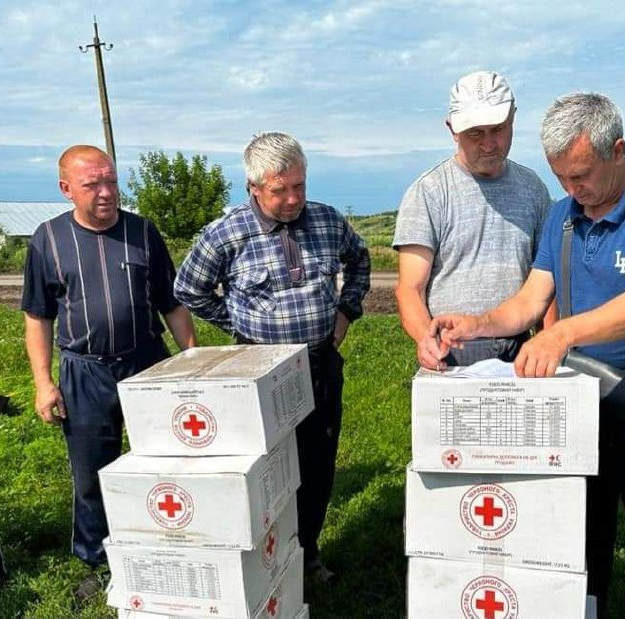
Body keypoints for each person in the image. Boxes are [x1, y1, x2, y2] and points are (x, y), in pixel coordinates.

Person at [432, 93, 625, 617]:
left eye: (581, 174)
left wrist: (559, 336)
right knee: (583, 537)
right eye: (561, 177)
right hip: (583, 405)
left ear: (618, 149)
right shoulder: (562, 215)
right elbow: (529, 302)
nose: (572, 189)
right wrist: (475, 324)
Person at [174, 132, 370, 583]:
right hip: (257, 374)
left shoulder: (326, 220)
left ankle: (308, 552)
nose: (293, 198)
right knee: (264, 468)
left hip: (319, 364)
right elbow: (189, 289)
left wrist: (345, 312)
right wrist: (238, 326)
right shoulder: (225, 234)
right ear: (253, 188)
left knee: (318, 462)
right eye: (280, 190)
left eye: (299, 186)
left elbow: (359, 262)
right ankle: (266, 560)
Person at [21, 145, 197, 604]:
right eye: (92, 184)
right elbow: (38, 316)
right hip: (85, 373)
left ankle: (167, 545)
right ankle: (98, 564)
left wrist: (193, 364)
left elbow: (171, 302)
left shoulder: (142, 231)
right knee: (91, 475)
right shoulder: (48, 240)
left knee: (163, 462)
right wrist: (44, 382)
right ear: (66, 189)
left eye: (111, 182)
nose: (105, 193)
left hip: (146, 364)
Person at [393, 70, 552, 369]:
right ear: (452, 129)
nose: (489, 144)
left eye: (498, 129)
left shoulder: (533, 189)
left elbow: (547, 276)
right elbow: (410, 288)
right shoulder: (429, 191)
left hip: (518, 349)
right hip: (449, 352)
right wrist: (423, 339)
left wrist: (549, 341)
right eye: (475, 133)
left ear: (513, 118)